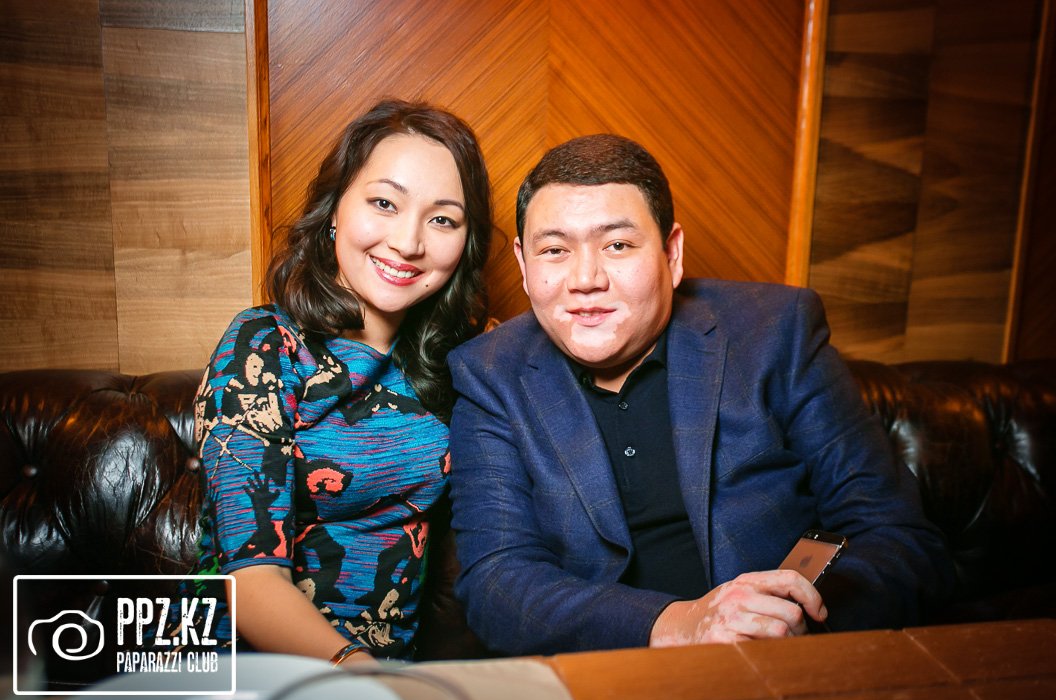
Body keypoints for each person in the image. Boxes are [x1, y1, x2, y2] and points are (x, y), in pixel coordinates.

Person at [446, 134, 954, 655]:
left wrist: (793, 625)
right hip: (602, 675)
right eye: (554, 250)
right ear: (524, 264)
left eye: (617, 245)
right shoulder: (490, 373)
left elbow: (898, 537)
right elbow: (495, 582)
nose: (585, 279)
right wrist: (680, 623)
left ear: (672, 253)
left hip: (775, 666)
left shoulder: (776, 332)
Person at [182, 99, 492, 664]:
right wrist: (359, 675)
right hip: (243, 667)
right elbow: (250, 581)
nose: (409, 242)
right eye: (384, 203)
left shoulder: (462, 362)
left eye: (442, 219)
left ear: (466, 241)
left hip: (387, 673)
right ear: (334, 210)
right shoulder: (265, 344)